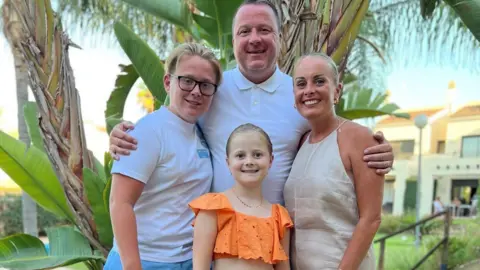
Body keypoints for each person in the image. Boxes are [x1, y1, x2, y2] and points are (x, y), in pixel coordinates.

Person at [108, 0, 395, 207]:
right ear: (233, 40)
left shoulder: (300, 94)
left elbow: (333, 136)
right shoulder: (211, 91)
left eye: (264, 30)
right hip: (213, 242)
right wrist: (125, 135)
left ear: (279, 37)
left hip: (277, 239)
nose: (254, 39)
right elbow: (171, 123)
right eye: (245, 31)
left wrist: (376, 150)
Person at [103, 43, 222, 270]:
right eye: (187, 80)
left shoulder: (199, 132)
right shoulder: (149, 131)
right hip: (144, 262)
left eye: (206, 85)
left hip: (187, 261)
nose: (196, 91)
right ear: (168, 83)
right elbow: (120, 202)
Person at [284, 53, 383, 269]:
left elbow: (371, 219)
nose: (309, 89)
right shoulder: (300, 143)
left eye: (319, 81)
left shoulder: (359, 138)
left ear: (337, 91)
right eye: (301, 84)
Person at [189, 123, 292, 270]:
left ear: (270, 161)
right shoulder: (214, 207)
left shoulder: (279, 216)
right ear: (228, 162)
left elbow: (283, 267)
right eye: (240, 155)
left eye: (257, 154)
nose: (249, 161)